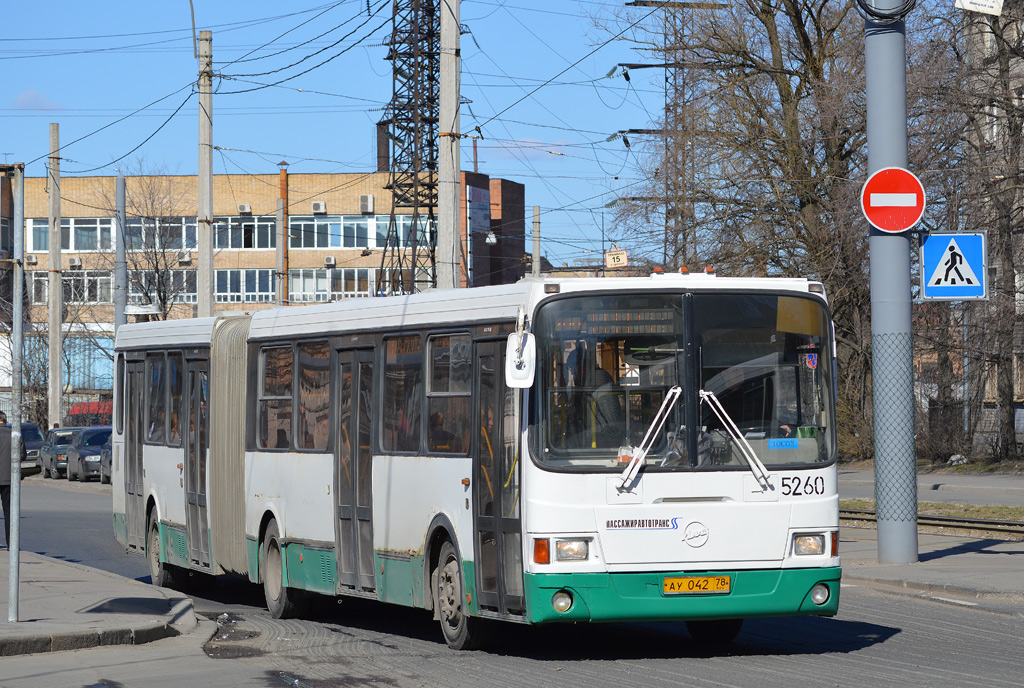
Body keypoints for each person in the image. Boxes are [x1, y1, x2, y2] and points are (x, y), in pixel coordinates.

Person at [0, 422, 26, 549]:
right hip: (9, 479)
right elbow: (22, 455)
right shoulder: (15, 435)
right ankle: (12, 544)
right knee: (9, 512)